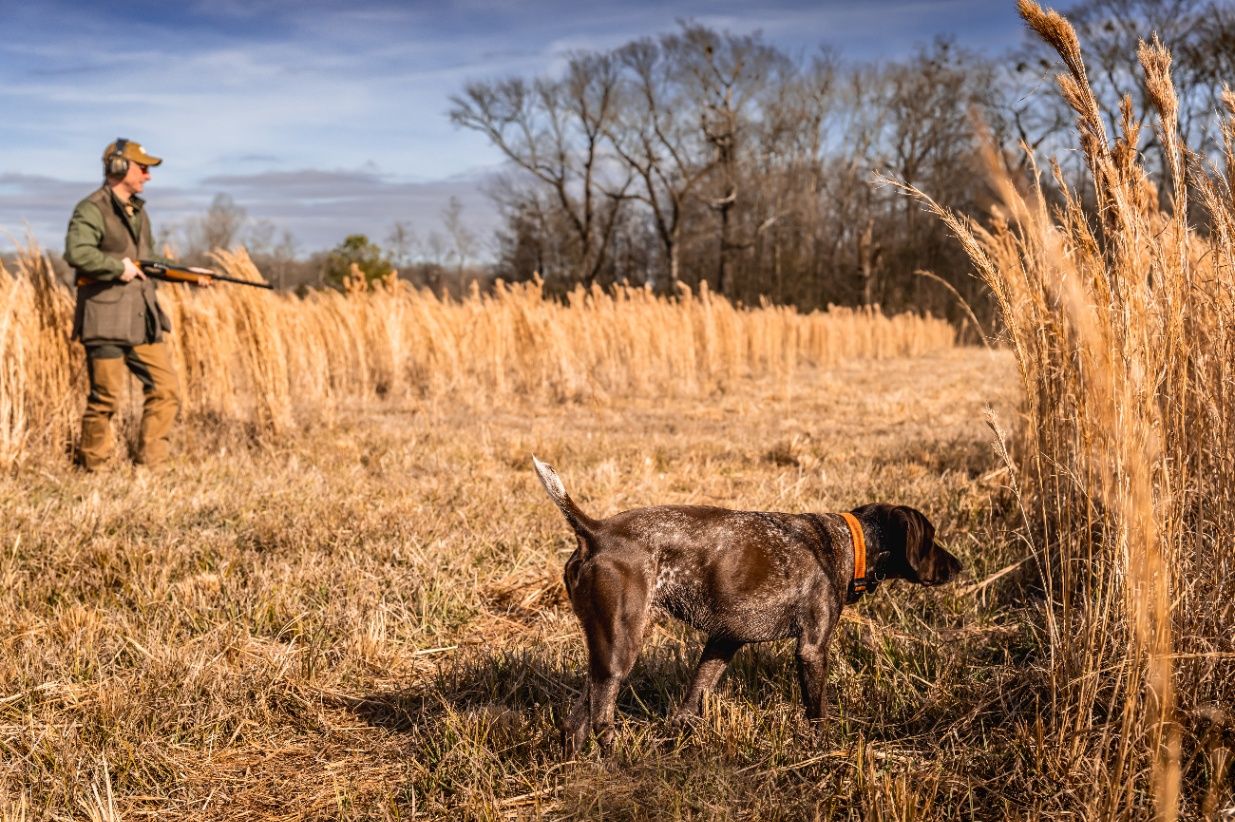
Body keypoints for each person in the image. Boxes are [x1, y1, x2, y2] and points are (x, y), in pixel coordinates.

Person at [64, 138, 205, 470]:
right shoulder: (92, 208)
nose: (148, 176)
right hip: (106, 320)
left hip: (142, 319)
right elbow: (78, 253)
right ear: (118, 167)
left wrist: (188, 274)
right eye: (142, 168)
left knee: (165, 387)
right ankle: (93, 469)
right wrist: (117, 267)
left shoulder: (139, 210)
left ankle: (153, 464)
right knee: (106, 398)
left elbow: (149, 262)